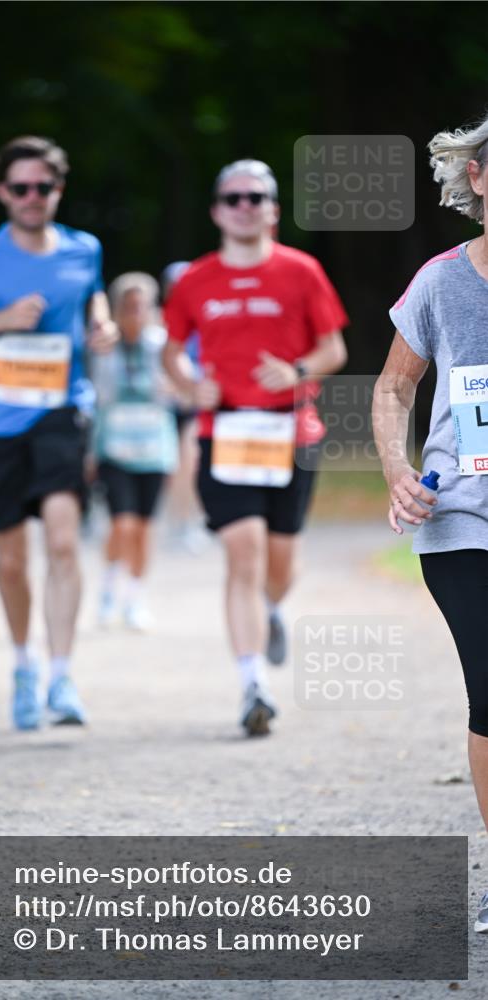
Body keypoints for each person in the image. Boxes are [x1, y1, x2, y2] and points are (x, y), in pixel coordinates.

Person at [0, 135, 116, 730]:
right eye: (20, 188)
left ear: (58, 190)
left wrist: (105, 323)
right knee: (10, 562)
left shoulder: (84, 250)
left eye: (43, 187)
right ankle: (23, 667)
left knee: (63, 543)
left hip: (61, 414)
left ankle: (62, 676)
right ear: (2, 193)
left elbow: (95, 301)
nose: (32, 197)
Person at [163, 159, 348, 736]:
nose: (246, 206)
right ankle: (253, 685)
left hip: (290, 431)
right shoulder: (195, 279)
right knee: (242, 552)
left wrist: (296, 370)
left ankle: (271, 611)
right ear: (218, 210)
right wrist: (192, 385)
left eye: (257, 197)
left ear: (273, 208)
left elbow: (333, 349)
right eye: (234, 197)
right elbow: (168, 350)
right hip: (227, 431)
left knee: (279, 562)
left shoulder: (302, 271)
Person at [372, 115, 488, 932]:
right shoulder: (440, 282)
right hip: (464, 520)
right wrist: (395, 470)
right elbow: (390, 389)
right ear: (476, 178)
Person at [92, 272, 178, 631]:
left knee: (144, 528)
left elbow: (181, 388)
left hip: (154, 448)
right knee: (121, 524)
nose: (135, 314)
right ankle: (111, 584)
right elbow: (96, 395)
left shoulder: (162, 346)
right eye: (128, 307)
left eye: (142, 307)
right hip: (113, 447)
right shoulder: (102, 346)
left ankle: (135, 596)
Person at [160, 262, 207, 555]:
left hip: (192, 403)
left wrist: (191, 387)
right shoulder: (158, 320)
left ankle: (186, 522)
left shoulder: (206, 319)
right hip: (160, 406)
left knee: (189, 463)